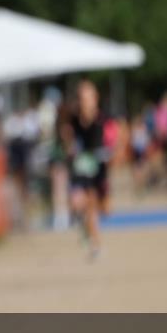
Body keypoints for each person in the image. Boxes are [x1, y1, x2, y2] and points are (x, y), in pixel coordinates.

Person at [62, 80, 109, 260]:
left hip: (97, 166)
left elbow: (113, 135)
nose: (85, 101)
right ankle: (88, 236)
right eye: (82, 97)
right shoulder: (73, 118)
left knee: (96, 207)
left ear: (95, 98)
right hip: (80, 165)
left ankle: (94, 240)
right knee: (77, 202)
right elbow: (68, 137)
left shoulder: (101, 118)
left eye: (88, 97)